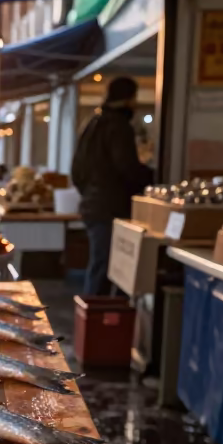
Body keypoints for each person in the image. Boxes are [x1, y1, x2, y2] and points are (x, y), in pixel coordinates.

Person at [71, 76, 152, 296]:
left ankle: (95, 319)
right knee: (107, 266)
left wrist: (89, 193)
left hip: (94, 205)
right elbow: (127, 166)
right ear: (129, 99)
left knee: (100, 264)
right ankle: (98, 321)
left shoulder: (92, 123)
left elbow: (76, 171)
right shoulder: (118, 126)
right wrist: (152, 179)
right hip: (111, 207)